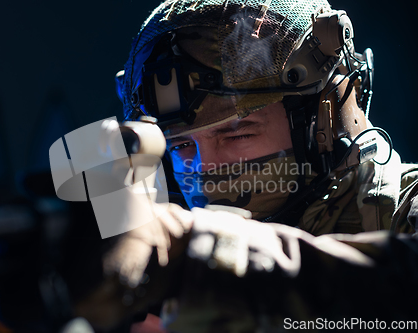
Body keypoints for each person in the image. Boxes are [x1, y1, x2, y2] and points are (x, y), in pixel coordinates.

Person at [74, 0, 418, 331]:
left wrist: (191, 259)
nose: (204, 167)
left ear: (322, 124)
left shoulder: (405, 210)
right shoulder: (158, 279)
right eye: (180, 145)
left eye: (237, 135)